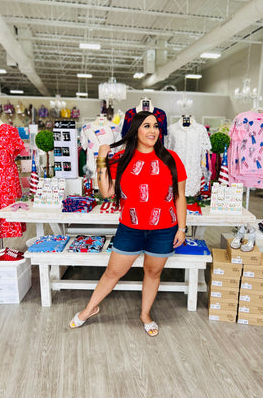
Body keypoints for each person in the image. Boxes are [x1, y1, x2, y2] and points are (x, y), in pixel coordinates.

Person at [70, 111, 187, 336]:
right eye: (147, 126)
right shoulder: (121, 160)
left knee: (152, 273)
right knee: (113, 272)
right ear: (135, 131)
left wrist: (181, 228)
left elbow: (179, 196)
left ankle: (145, 315)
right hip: (130, 229)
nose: (153, 130)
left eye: (155, 126)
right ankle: (88, 309)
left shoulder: (171, 159)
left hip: (163, 230)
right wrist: (101, 159)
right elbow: (106, 192)